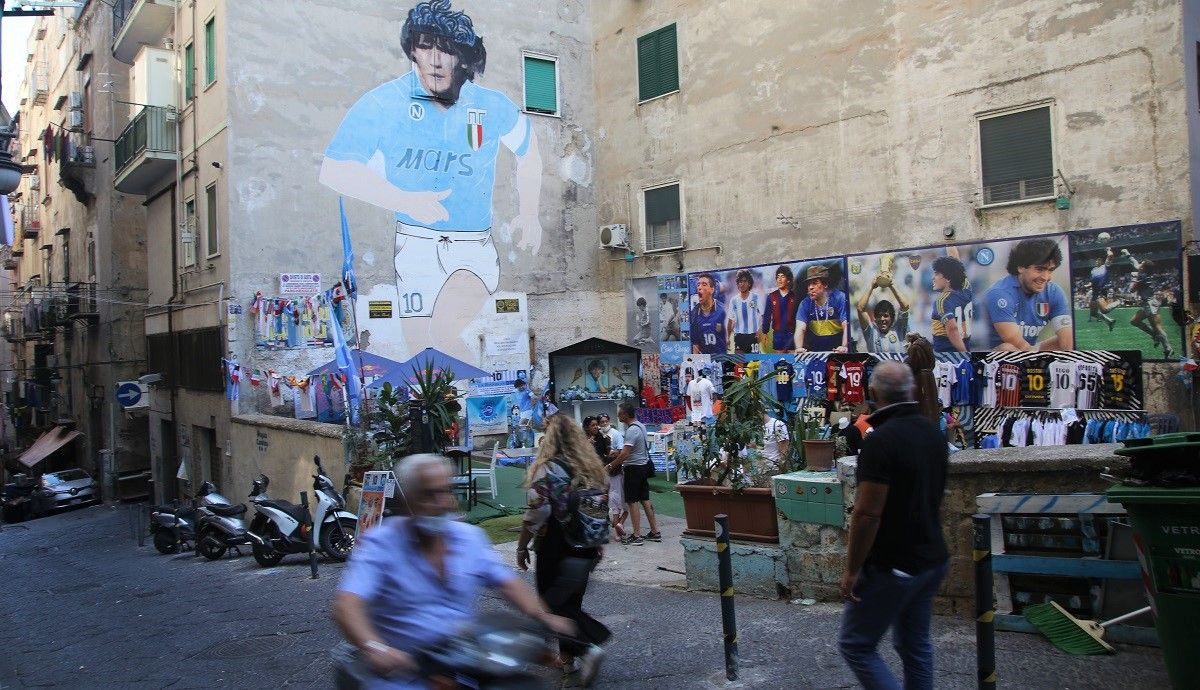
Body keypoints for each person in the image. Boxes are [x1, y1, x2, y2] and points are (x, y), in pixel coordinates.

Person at [320, 0, 543, 357]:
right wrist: (404, 200)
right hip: (414, 245)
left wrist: (529, 213)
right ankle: (450, 405)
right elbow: (334, 169)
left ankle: (468, 400)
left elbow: (528, 150)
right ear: (412, 50)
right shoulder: (383, 103)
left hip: (472, 245)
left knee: (441, 335)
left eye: (447, 49)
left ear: (462, 57)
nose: (436, 59)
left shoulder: (490, 104)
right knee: (422, 352)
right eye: (426, 45)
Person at [333, 454, 574, 688]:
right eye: (428, 495)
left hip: (461, 657)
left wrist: (542, 617)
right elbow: (347, 605)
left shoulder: (469, 538)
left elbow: (507, 582)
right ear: (408, 501)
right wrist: (375, 648)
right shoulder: (380, 543)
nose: (441, 503)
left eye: (446, 491)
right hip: (402, 669)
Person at [839, 362, 949, 690]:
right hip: (932, 559)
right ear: (912, 391)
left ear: (873, 394)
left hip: (895, 565)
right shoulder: (933, 432)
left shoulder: (879, 441)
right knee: (914, 645)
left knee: (856, 645)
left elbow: (867, 514)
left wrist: (852, 569)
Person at [516, 416, 612, 686]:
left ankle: (589, 647)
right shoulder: (591, 468)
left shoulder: (548, 469)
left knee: (550, 603)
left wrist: (522, 545)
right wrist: (598, 540)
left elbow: (537, 513)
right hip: (587, 544)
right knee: (570, 602)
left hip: (555, 543)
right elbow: (599, 508)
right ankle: (567, 661)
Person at [982, 238, 1073, 351]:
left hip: (1028, 351)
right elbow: (1013, 340)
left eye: (1050, 270)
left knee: (1067, 340)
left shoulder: (1054, 292)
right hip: (995, 356)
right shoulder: (999, 293)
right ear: (1020, 267)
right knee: (1008, 348)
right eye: (1039, 269)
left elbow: (1067, 341)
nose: (1045, 277)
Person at [607, 402, 661, 546]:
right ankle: (655, 531)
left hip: (634, 468)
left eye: (620, 413)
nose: (618, 415)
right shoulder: (641, 426)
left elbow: (625, 453)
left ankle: (637, 535)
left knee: (632, 501)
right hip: (642, 467)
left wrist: (611, 464)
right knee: (645, 499)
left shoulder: (632, 430)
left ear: (625, 414)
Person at [585, 416, 626, 541]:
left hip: (603, 472)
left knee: (605, 499)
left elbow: (606, 454)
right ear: (587, 427)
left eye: (597, 424)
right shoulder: (581, 440)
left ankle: (604, 527)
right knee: (592, 501)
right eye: (593, 425)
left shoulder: (603, 438)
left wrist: (611, 455)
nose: (597, 427)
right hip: (589, 474)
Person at [1127, 256, 1176, 358]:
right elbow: (1135, 263)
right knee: (1134, 321)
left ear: (1143, 268)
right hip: (1148, 303)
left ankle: (1168, 348)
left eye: (1142, 263)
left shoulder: (1142, 277)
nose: (1139, 264)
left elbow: (1131, 290)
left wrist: (1133, 278)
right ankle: (1155, 336)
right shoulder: (1144, 273)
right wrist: (1128, 255)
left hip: (1150, 304)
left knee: (1157, 327)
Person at [795, 264, 849, 353]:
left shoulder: (840, 298)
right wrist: (799, 347)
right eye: (809, 284)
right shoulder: (805, 303)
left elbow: (846, 325)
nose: (810, 287)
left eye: (815, 283)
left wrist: (844, 346)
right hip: (815, 353)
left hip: (837, 352)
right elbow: (800, 328)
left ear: (825, 284)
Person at [855, 270, 910, 354]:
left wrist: (891, 285)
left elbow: (905, 306)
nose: (882, 319)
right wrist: (871, 286)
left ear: (892, 318)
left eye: (886, 315)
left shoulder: (898, 329)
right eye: (879, 316)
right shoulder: (871, 331)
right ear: (875, 318)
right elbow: (860, 308)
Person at [930, 254, 973, 354]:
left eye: (936, 274)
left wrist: (964, 354)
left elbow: (952, 329)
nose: (933, 278)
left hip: (947, 355)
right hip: (965, 347)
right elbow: (956, 263)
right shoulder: (966, 289)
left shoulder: (942, 300)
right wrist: (950, 243)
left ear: (948, 278)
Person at [904, 334, 942, 427]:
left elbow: (911, 365)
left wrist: (908, 352)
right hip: (929, 378)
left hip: (920, 380)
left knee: (922, 406)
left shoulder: (915, 347)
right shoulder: (927, 345)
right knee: (931, 405)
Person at [761, 265, 800, 353]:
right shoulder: (771, 296)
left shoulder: (795, 297)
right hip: (778, 336)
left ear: (788, 280)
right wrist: (765, 332)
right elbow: (767, 316)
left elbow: (799, 317)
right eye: (778, 277)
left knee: (792, 361)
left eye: (782, 277)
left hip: (792, 335)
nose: (779, 279)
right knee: (779, 363)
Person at [690, 273, 727, 355]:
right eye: (698, 285)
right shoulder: (694, 313)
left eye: (704, 285)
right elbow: (696, 344)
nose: (699, 287)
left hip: (723, 359)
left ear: (712, 290)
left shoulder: (723, 311)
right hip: (704, 362)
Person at [727, 269, 762, 354]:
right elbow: (730, 321)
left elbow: (763, 315)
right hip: (739, 337)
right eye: (740, 282)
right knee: (740, 364)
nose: (742, 284)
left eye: (744, 281)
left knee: (754, 364)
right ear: (737, 284)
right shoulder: (734, 300)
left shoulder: (755, 298)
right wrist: (728, 338)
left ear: (749, 283)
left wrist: (760, 330)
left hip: (753, 336)